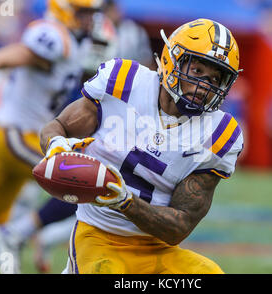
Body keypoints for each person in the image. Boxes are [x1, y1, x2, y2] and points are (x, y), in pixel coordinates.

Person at [41, 18, 244, 274]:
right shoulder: (123, 82)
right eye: (197, 71)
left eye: (215, 79)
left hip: (157, 249)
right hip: (99, 236)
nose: (205, 86)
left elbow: (179, 226)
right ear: (173, 60)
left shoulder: (219, 133)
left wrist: (126, 201)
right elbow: (58, 127)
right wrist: (56, 148)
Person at [0, 0, 104, 274]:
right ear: (64, 10)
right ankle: (19, 233)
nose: (89, 19)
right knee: (84, 184)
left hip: (16, 140)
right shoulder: (53, 38)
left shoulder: (78, 42)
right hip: (14, 137)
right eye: (82, 12)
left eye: (91, 13)